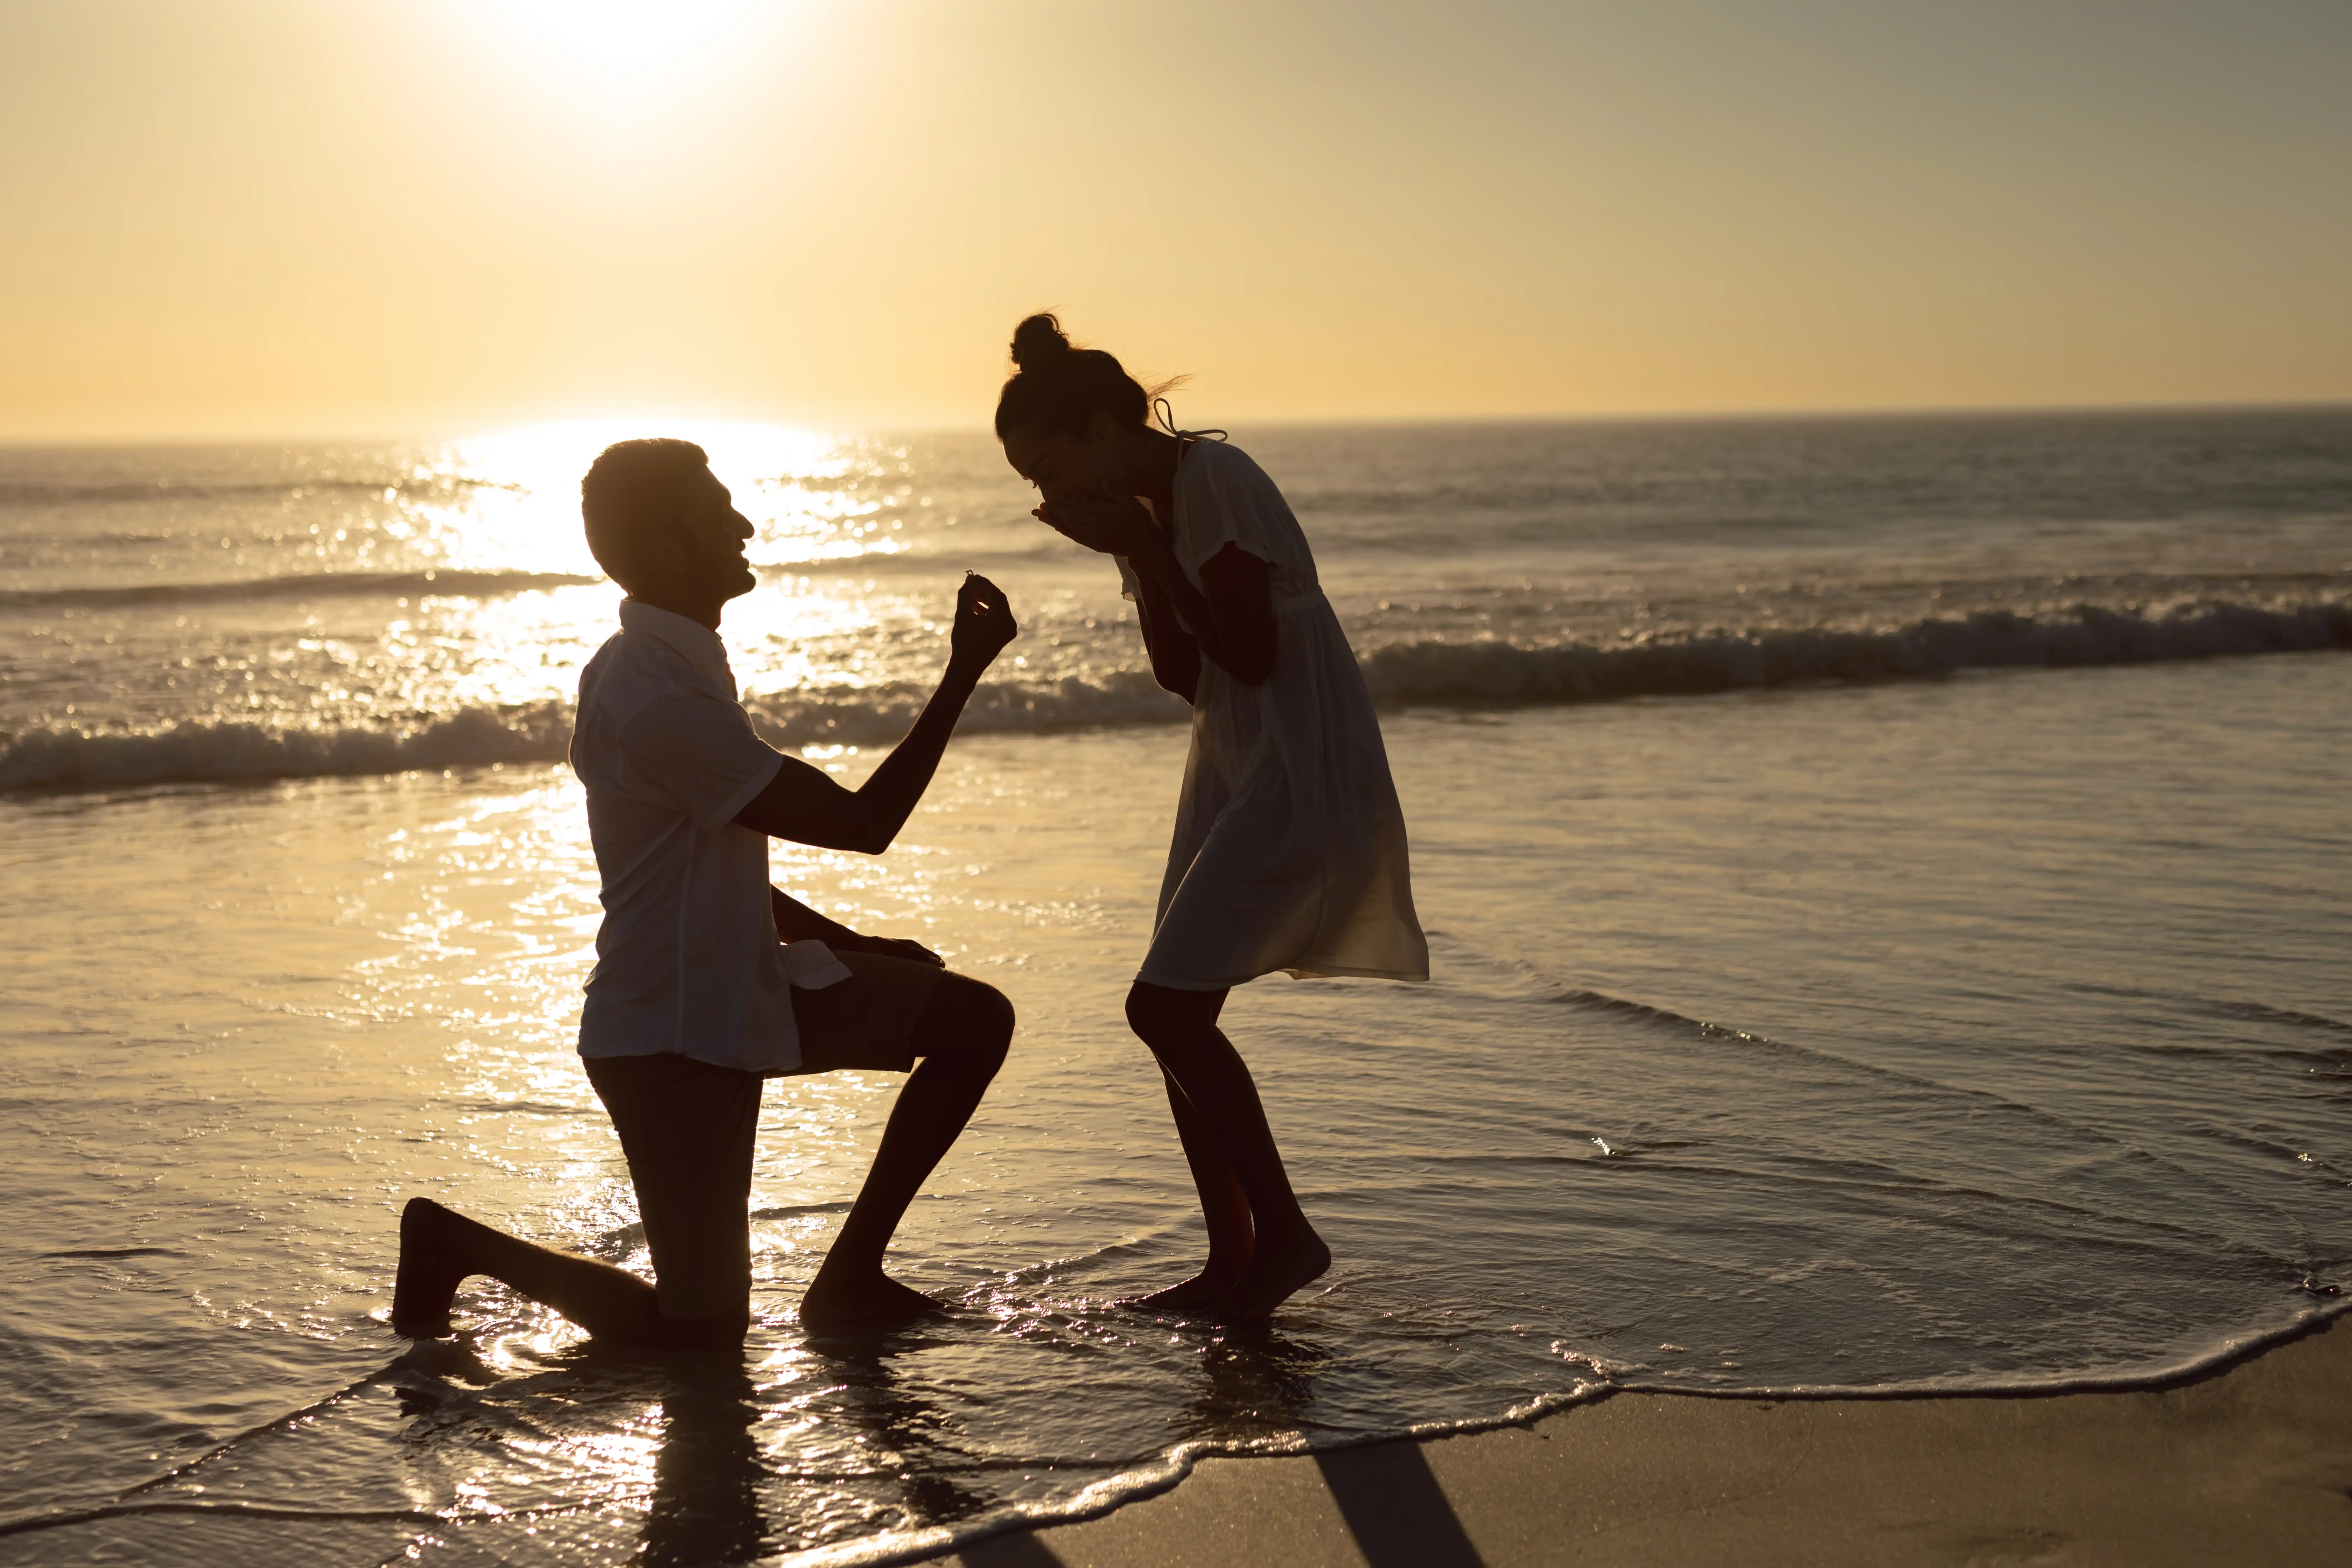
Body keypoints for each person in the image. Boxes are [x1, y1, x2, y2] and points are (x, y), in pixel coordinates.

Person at [393, 437, 1021, 1347]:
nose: (745, 524)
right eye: (718, 510)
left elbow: (721, 862)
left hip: (741, 990)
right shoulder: (657, 698)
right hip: (671, 1035)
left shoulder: (675, 665)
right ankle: (452, 1243)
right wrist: (964, 669)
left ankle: (850, 1279)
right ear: (668, 553)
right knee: (697, 1337)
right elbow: (863, 824)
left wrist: (858, 946)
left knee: (972, 1022)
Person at [995, 315, 1429, 1321]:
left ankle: (1283, 1238)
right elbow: (1182, 675)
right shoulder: (1145, 507)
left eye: (1051, 464)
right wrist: (1141, 554)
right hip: (1235, 757)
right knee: (1181, 1010)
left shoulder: (1212, 483)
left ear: (1108, 425)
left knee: (1164, 1007)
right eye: (1031, 480)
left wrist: (1147, 542)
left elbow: (1251, 653)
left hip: (1294, 756)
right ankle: (1234, 1255)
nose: (1046, 496)